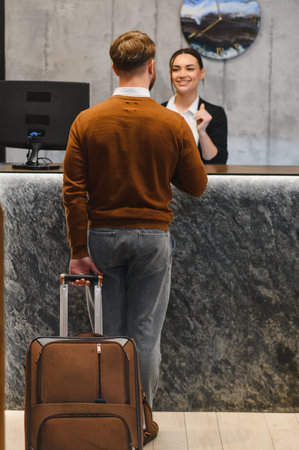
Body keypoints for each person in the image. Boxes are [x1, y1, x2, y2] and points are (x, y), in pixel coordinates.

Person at [63, 30, 207, 445]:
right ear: (151, 68)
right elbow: (196, 186)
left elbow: (73, 193)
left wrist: (77, 250)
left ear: (113, 68)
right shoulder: (172, 123)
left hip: (102, 238)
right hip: (153, 238)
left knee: (109, 333)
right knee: (145, 333)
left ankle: (108, 418)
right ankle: (140, 421)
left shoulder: (87, 120)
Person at [162, 47, 228, 164]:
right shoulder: (158, 112)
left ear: (202, 73)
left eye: (190, 69)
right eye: (176, 69)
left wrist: (202, 132)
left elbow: (218, 162)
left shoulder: (215, 113)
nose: (182, 74)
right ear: (170, 74)